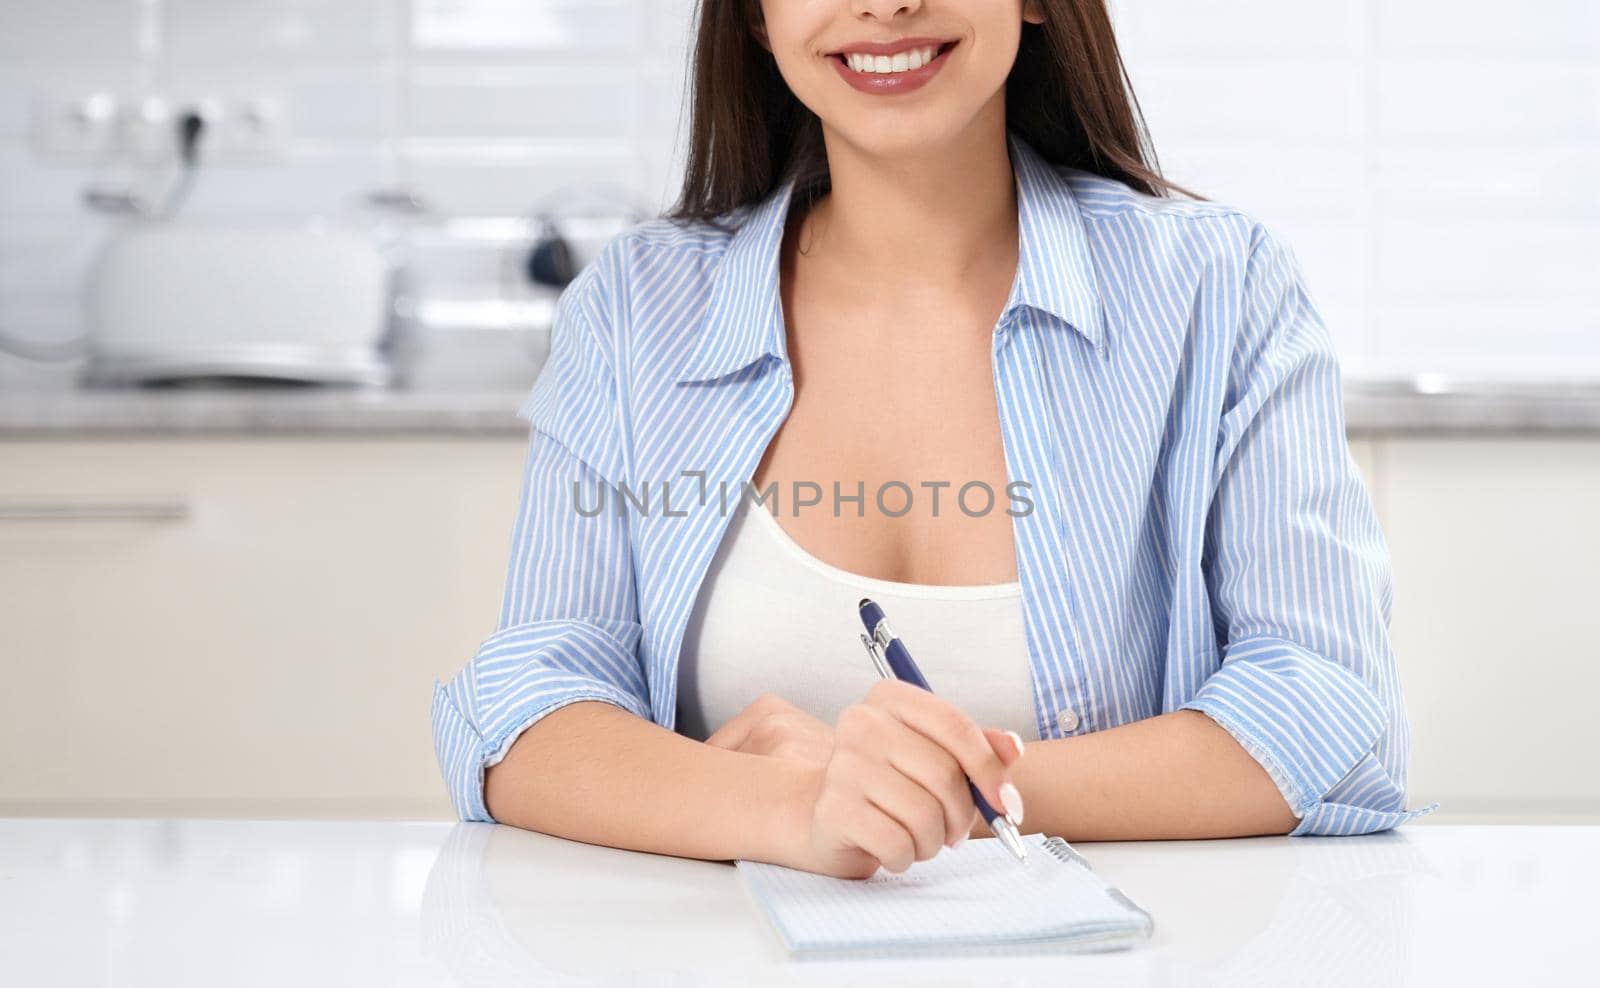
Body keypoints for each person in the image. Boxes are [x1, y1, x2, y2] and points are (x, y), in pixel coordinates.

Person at [431, 0, 1427, 880]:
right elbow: (526, 708)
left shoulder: (1221, 288)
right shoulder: (633, 309)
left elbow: (1329, 708)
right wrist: (795, 808)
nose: (885, 4)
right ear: (752, 13)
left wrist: (940, 790)